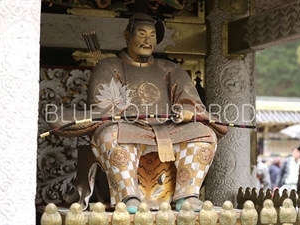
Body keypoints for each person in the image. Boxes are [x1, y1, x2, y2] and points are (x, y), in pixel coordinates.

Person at [49, 13, 228, 213]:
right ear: (127, 35)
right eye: (142, 34)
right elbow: (101, 108)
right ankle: (128, 196)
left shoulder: (168, 68)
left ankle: (187, 195)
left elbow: (191, 102)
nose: (147, 40)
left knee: (204, 133)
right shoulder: (108, 66)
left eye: (152, 35)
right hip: (127, 128)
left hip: (168, 130)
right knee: (109, 133)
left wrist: (186, 110)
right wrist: (118, 109)